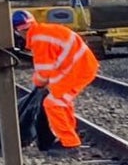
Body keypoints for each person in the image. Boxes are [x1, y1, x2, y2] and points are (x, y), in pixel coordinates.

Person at [11, 11, 99, 152]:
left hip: (76, 69)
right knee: (61, 101)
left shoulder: (38, 39)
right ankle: (70, 137)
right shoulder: (43, 31)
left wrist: (38, 84)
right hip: (79, 66)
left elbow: (43, 74)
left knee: (52, 103)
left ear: (16, 31)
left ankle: (70, 144)